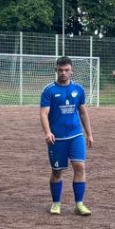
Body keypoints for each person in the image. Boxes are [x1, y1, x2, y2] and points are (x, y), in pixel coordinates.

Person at [40, 56, 95, 216]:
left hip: (76, 135)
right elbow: (44, 113)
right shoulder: (49, 90)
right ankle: (56, 203)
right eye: (60, 70)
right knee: (57, 172)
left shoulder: (78, 89)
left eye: (66, 70)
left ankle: (79, 204)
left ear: (72, 71)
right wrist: (47, 132)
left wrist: (89, 134)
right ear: (56, 70)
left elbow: (83, 112)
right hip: (56, 138)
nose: (63, 73)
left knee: (80, 167)